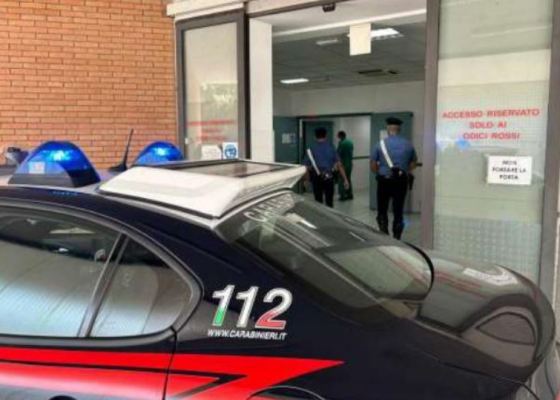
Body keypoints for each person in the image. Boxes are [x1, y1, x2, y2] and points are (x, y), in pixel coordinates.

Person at [371, 117, 417, 239]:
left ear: (388, 129)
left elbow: (373, 165)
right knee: (398, 210)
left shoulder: (379, 144)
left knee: (382, 209)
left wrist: (380, 172)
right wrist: (403, 170)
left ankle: (384, 236)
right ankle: (397, 238)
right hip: (401, 181)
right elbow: (413, 163)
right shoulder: (408, 144)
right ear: (399, 129)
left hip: (384, 181)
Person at [304, 127, 350, 208]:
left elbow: (306, 166)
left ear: (315, 136)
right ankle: (329, 215)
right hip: (329, 177)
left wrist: (306, 180)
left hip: (316, 177)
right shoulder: (331, 147)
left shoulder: (311, 148)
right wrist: (345, 179)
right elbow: (339, 164)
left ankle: (320, 215)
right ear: (325, 136)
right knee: (329, 201)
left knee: (318, 202)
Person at [336, 130, 354, 201]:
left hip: (343, 164)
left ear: (340, 136)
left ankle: (342, 196)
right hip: (350, 164)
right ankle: (350, 194)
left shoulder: (341, 143)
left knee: (341, 179)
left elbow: (338, 154)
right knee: (348, 179)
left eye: (338, 136)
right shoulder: (350, 142)